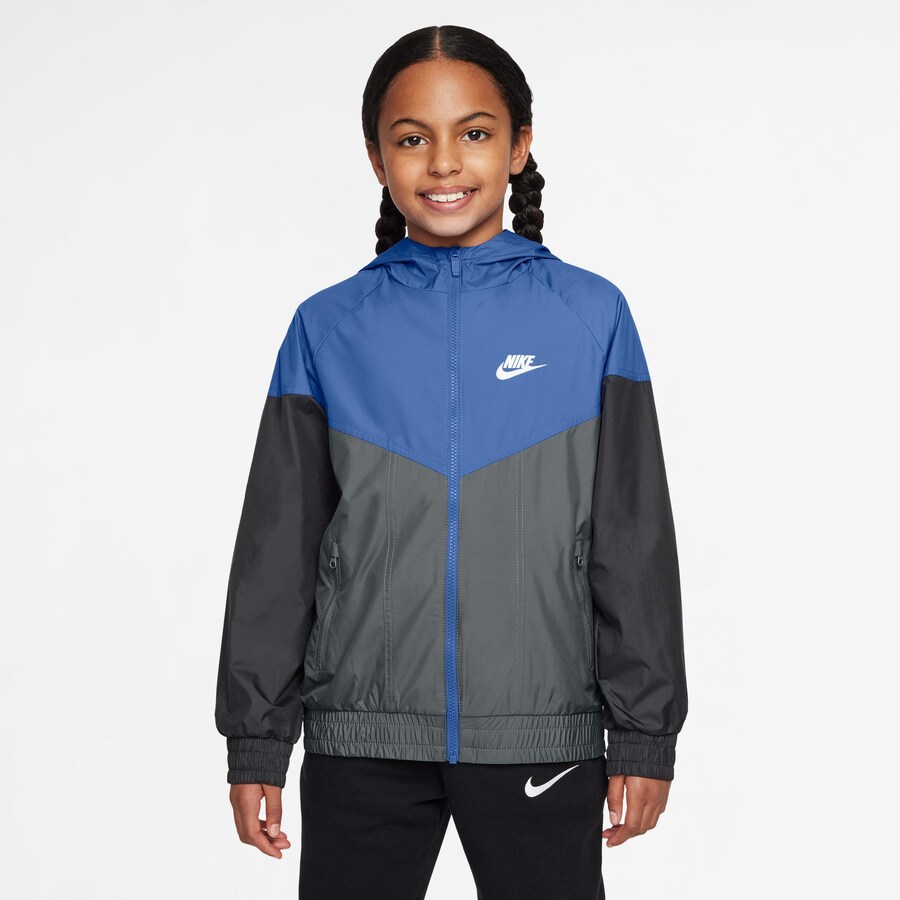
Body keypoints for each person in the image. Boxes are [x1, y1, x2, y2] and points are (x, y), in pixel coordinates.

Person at [215, 23, 688, 900]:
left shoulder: (590, 315)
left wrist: (645, 732)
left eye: (473, 132)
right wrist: (257, 739)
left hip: (541, 731)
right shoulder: (328, 326)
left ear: (519, 146)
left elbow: (633, 538)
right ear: (376, 157)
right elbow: (278, 548)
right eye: (411, 139)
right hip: (362, 734)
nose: (443, 163)